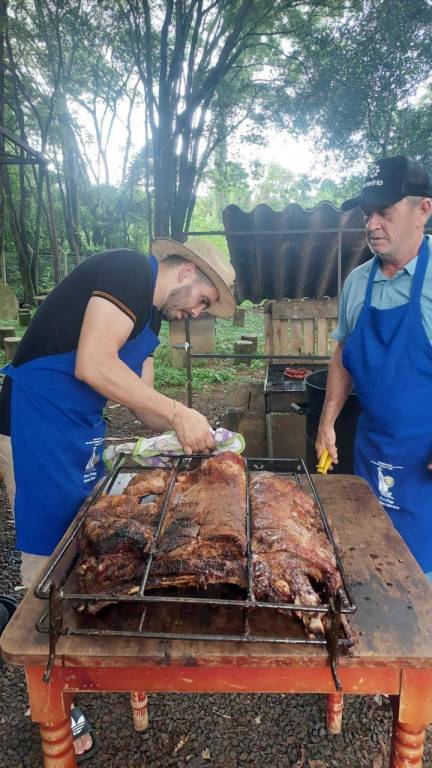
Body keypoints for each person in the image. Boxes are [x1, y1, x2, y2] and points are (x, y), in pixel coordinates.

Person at [0, 236, 236, 761]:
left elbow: (143, 405)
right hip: (35, 422)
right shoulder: (129, 272)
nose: (196, 313)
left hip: (78, 429)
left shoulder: (149, 322)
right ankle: (52, 698)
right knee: (46, 563)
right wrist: (177, 412)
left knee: (88, 539)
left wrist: (193, 436)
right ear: (187, 272)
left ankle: (79, 658)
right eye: (203, 300)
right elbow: (92, 363)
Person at [315, 155, 432, 583]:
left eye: (385, 211)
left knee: (421, 588)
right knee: (370, 574)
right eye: (368, 213)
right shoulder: (357, 282)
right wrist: (327, 421)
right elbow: (343, 352)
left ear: (423, 209)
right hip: (371, 458)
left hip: (424, 473)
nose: (372, 224)